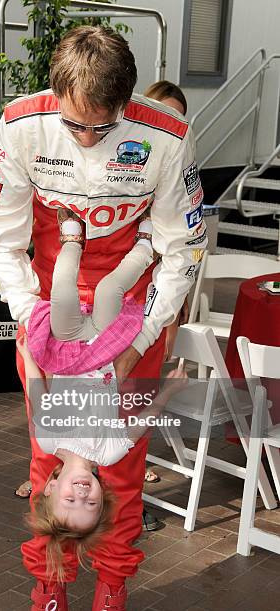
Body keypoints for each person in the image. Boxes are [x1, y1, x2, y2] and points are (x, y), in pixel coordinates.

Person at [0, 25, 207, 611]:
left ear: (127, 103)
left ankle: (112, 587)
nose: (84, 137)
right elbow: (1, 242)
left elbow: (180, 251)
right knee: (47, 462)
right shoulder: (20, 126)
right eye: (73, 122)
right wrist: (34, 328)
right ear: (55, 97)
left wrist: (145, 337)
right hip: (49, 308)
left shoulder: (167, 136)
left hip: (132, 314)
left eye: (100, 126)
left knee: (124, 470)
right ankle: (49, 585)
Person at [16, 329, 187, 583]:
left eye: (70, 501)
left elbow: (38, 394)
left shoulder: (49, 439)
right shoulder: (109, 453)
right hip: (105, 343)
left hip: (65, 342)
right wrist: (169, 391)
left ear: (50, 487)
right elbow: (144, 420)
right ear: (102, 501)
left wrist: (29, 356)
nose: (82, 496)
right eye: (91, 504)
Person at [143, 79, 191, 484]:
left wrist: (169, 318)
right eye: (165, 112)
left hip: (162, 285)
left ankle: (132, 460)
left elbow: (183, 248)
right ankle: (51, 470)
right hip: (118, 283)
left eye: (178, 116)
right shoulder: (130, 155)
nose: (170, 122)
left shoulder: (179, 161)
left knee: (142, 377)